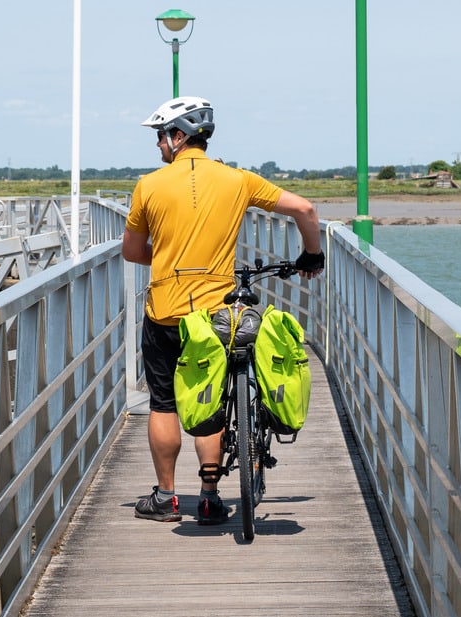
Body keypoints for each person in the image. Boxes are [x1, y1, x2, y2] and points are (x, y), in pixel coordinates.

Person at [122, 96, 324, 525]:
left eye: (160, 136)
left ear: (179, 137)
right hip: (217, 315)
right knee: (209, 397)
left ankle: (166, 498)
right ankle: (210, 498)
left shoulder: (149, 186)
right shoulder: (239, 180)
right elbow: (306, 209)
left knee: (163, 404)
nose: (157, 144)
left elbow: (132, 252)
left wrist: (169, 257)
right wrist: (311, 255)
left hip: (165, 312)